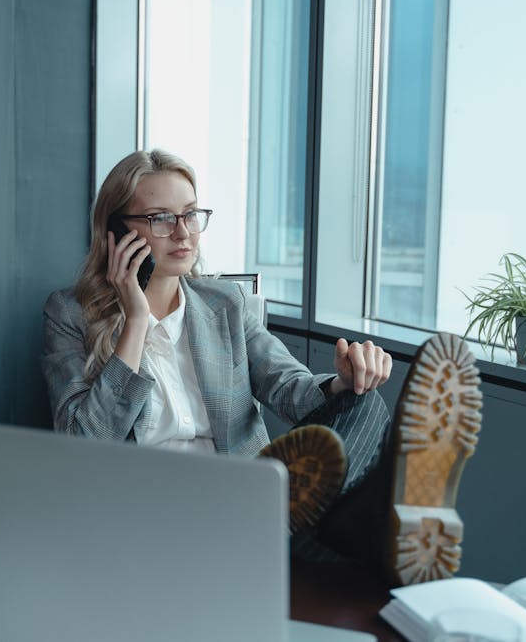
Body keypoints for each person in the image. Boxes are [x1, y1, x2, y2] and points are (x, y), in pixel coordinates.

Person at [42, 149, 483, 585]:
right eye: (160, 218)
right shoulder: (71, 315)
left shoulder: (224, 304)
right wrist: (135, 322)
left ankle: (290, 513)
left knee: (363, 405)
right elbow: (82, 440)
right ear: (118, 233)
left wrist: (343, 382)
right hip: (159, 516)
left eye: (191, 214)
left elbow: (291, 389)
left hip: (246, 494)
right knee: (345, 542)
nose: (183, 233)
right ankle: (384, 514)